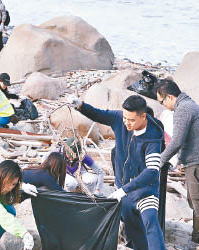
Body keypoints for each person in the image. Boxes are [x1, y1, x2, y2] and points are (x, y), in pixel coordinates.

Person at [68, 94, 166, 250]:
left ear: (143, 116)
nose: (126, 122)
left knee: (150, 222)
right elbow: (98, 114)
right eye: (125, 118)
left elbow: (152, 172)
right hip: (123, 187)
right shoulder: (120, 118)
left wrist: (123, 190)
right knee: (133, 232)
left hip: (144, 190)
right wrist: (80, 104)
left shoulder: (153, 136)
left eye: (131, 120)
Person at [157, 79, 199, 250]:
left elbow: (177, 141)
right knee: (195, 202)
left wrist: (161, 160)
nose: (163, 105)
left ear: (169, 97)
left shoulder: (183, 109)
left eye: (162, 101)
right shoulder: (188, 104)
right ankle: (198, 238)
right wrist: (177, 161)